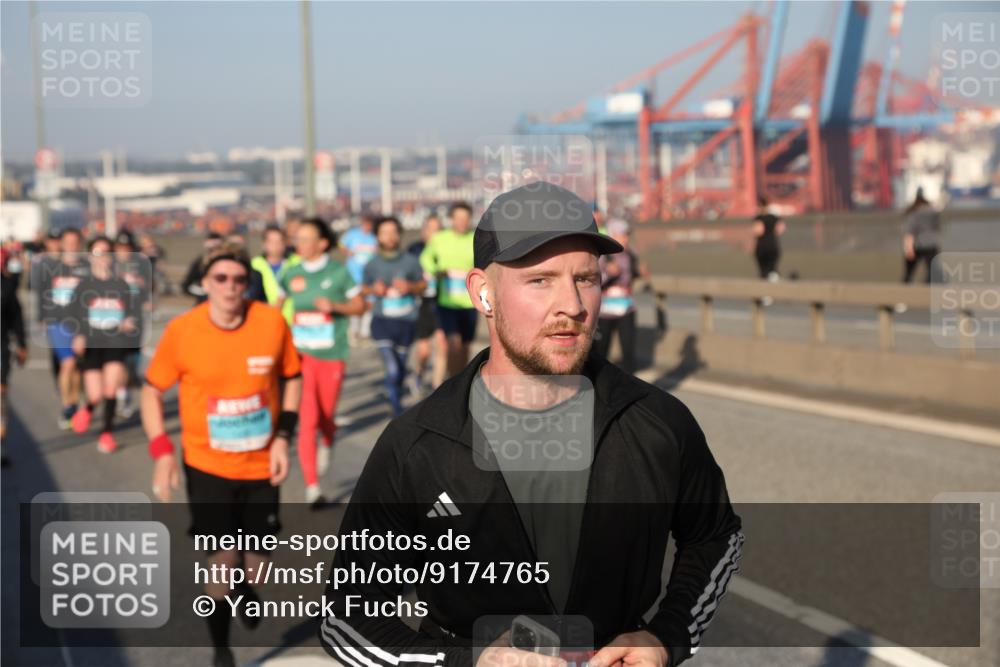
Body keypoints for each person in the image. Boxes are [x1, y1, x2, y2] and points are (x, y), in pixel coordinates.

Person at [319, 181, 743, 667]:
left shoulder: (656, 421)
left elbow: (715, 535)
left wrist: (667, 638)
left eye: (585, 278)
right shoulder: (417, 445)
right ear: (483, 293)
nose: (573, 306)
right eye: (540, 280)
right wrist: (468, 661)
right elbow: (344, 618)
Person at [141, 242, 302, 667]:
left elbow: (293, 377)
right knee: (222, 559)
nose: (231, 287)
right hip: (206, 464)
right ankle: (221, 648)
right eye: (221, 279)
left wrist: (284, 437)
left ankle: (243, 589)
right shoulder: (183, 331)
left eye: (239, 279)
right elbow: (152, 392)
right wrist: (162, 451)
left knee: (256, 567)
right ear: (205, 283)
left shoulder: (270, 323)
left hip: (262, 463)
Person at [279, 217, 365, 506]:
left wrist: (336, 307)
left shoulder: (338, 273)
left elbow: (360, 305)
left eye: (305, 239)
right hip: (300, 358)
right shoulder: (291, 274)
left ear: (322, 243)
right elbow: (275, 309)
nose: (298, 244)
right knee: (307, 420)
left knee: (326, 416)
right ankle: (312, 487)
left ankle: (328, 439)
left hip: (331, 356)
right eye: (297, 239)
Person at [68, 236, 141, 453]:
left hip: (115, 342)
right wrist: (79, 336)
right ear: (90, 257)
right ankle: (88, 408)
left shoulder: (121, 285)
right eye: (98, 253)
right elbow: (75, 315)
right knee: (96, 394)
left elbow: (132, 313)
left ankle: (106, 434)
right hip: (91, 343)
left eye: (107, 252)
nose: (103, 258)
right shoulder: (83, 286)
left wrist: (129, 322)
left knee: (111, 389)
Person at [362, 215, 426, 416]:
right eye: (384, 233)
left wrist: (410, 286)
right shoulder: (371, 264)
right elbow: (363, 288)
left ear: (399, 234)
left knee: (400, 366)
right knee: (391, 367)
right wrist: (374, 289)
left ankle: (395, 393)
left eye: (393, 232)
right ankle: (396, 405)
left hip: (406, 321)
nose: (389, 237)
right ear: (377, 237)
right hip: (382, 321)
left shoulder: (412, 262)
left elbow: (423, 285)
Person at [37, 227, 89, 429]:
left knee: (76, 366)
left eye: (75, 242)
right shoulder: (51, 267)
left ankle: (74, 403)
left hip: (80, 323)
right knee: (67, 363)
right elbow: (43, 295)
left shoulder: (86, 267)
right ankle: (67, 405)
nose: (71, 246)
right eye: (68, 242)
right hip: (57, 322)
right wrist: (42, 318)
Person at [420, 201, 477, 379]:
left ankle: (462, 378)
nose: (462, 222)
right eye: (458, 218)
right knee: (454, 344)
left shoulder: (475, 238)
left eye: (465, 218)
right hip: (446, 302)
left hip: (470, 303)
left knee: (466, 347)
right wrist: (436, 272)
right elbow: (425, 258)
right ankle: (455, 384)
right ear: (451, 219)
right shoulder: (440, 238)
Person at [594, 219, 650, 375]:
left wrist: (640, 272)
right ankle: (598, 387)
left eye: (627, 235)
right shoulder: (603, 256)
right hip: (605, 311)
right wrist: (608, 274)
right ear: (613, 235)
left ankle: (630, 389)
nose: (626, 238)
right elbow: (594, 281)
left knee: (629, 350)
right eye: (622, 235)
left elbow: (631, 275)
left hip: (626, 308)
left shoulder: (631, 254)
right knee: (601, 351)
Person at [113, 230, 151, 418]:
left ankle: (126, 390)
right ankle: (122, 396)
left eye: (127, 248)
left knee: (133, 361)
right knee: (119, 360)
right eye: (120, 248)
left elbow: (150, 287)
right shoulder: (109, 265)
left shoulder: (141, 264)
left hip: (136, 317)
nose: (124, 251)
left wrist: (148, 299)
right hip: (115, 317)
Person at [407, 214, 445, 395]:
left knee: (443, 345)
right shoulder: (414, 250)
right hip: (421, 302)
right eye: (431, 229)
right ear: (424, 231)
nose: (434, 234)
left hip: (442, 301)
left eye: (438, 230)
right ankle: (418, 373)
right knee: (424, 351)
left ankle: (437, 388)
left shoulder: (445, 249)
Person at [1, 247, 28, 466]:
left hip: (1, 346)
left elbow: (16, 317)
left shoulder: (7, 286)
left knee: (0, 392)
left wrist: (22, 344)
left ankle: (1, 442)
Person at [30, 230, 64, 389]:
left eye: (58, 240)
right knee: (57, 352)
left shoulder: (68, 260)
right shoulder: (41, 262)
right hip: (52, 314)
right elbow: (39, 291)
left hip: (72, 313)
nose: (55, 244)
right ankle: (60, 380)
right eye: (52, 240)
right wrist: (41, 317)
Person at [339, 214, 378, 345]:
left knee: (370, 302)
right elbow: (341, 244)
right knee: (355, 302)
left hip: (369, 276)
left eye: (370, 224)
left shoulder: (374, 238)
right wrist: (347, 252)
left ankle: (365, 332)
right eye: (366, 223)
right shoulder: (353, 234)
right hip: (353, 275)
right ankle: (354, 330)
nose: (368, 226)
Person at [250, 224, 301, 322]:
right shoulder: (254, 265)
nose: (275, 245)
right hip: (266, 321)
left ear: (285, 243)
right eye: (271, 242)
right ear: (264, 244)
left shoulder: (297, 263)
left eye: (279, 241)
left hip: (293, 323)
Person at [902, 189, 941, 284]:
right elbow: (937, 227)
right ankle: (928, 290)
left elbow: (909, 232)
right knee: (931, 271)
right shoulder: (932, 211)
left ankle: (903, 293)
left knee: (909, 273)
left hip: (917, 244)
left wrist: (908, 248)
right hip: (931, 244)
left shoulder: (914, 212)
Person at [183, 232, 223, 303]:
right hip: (203, 303)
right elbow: (186, 286)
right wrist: (203, 292)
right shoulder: (199, 262)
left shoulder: (227, 263)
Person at [751, 196, 785, 280]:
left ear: (760, 205)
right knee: (773, 269)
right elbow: (781, 229)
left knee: (763, 271)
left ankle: (765, 291)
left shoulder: (759, 218)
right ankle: (775, 289)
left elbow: (758, 231)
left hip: (762, 246)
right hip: (773, 245)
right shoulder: (774, 217)